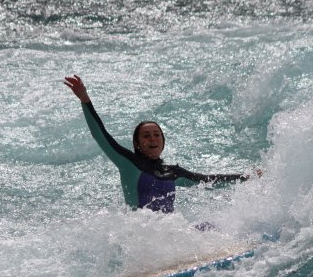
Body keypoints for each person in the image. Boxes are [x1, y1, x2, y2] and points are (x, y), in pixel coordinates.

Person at [64, 75, 256, 213]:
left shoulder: (172, 173)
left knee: (208, 228)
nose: (153, 139)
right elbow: (101, 136)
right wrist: (85, 100)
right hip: (139, 236)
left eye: (157, 135)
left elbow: (208, 180)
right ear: (137, 143)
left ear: (163, 142)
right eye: (146, 136)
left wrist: (246, 177)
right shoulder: (129, 164)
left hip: (166, 237)